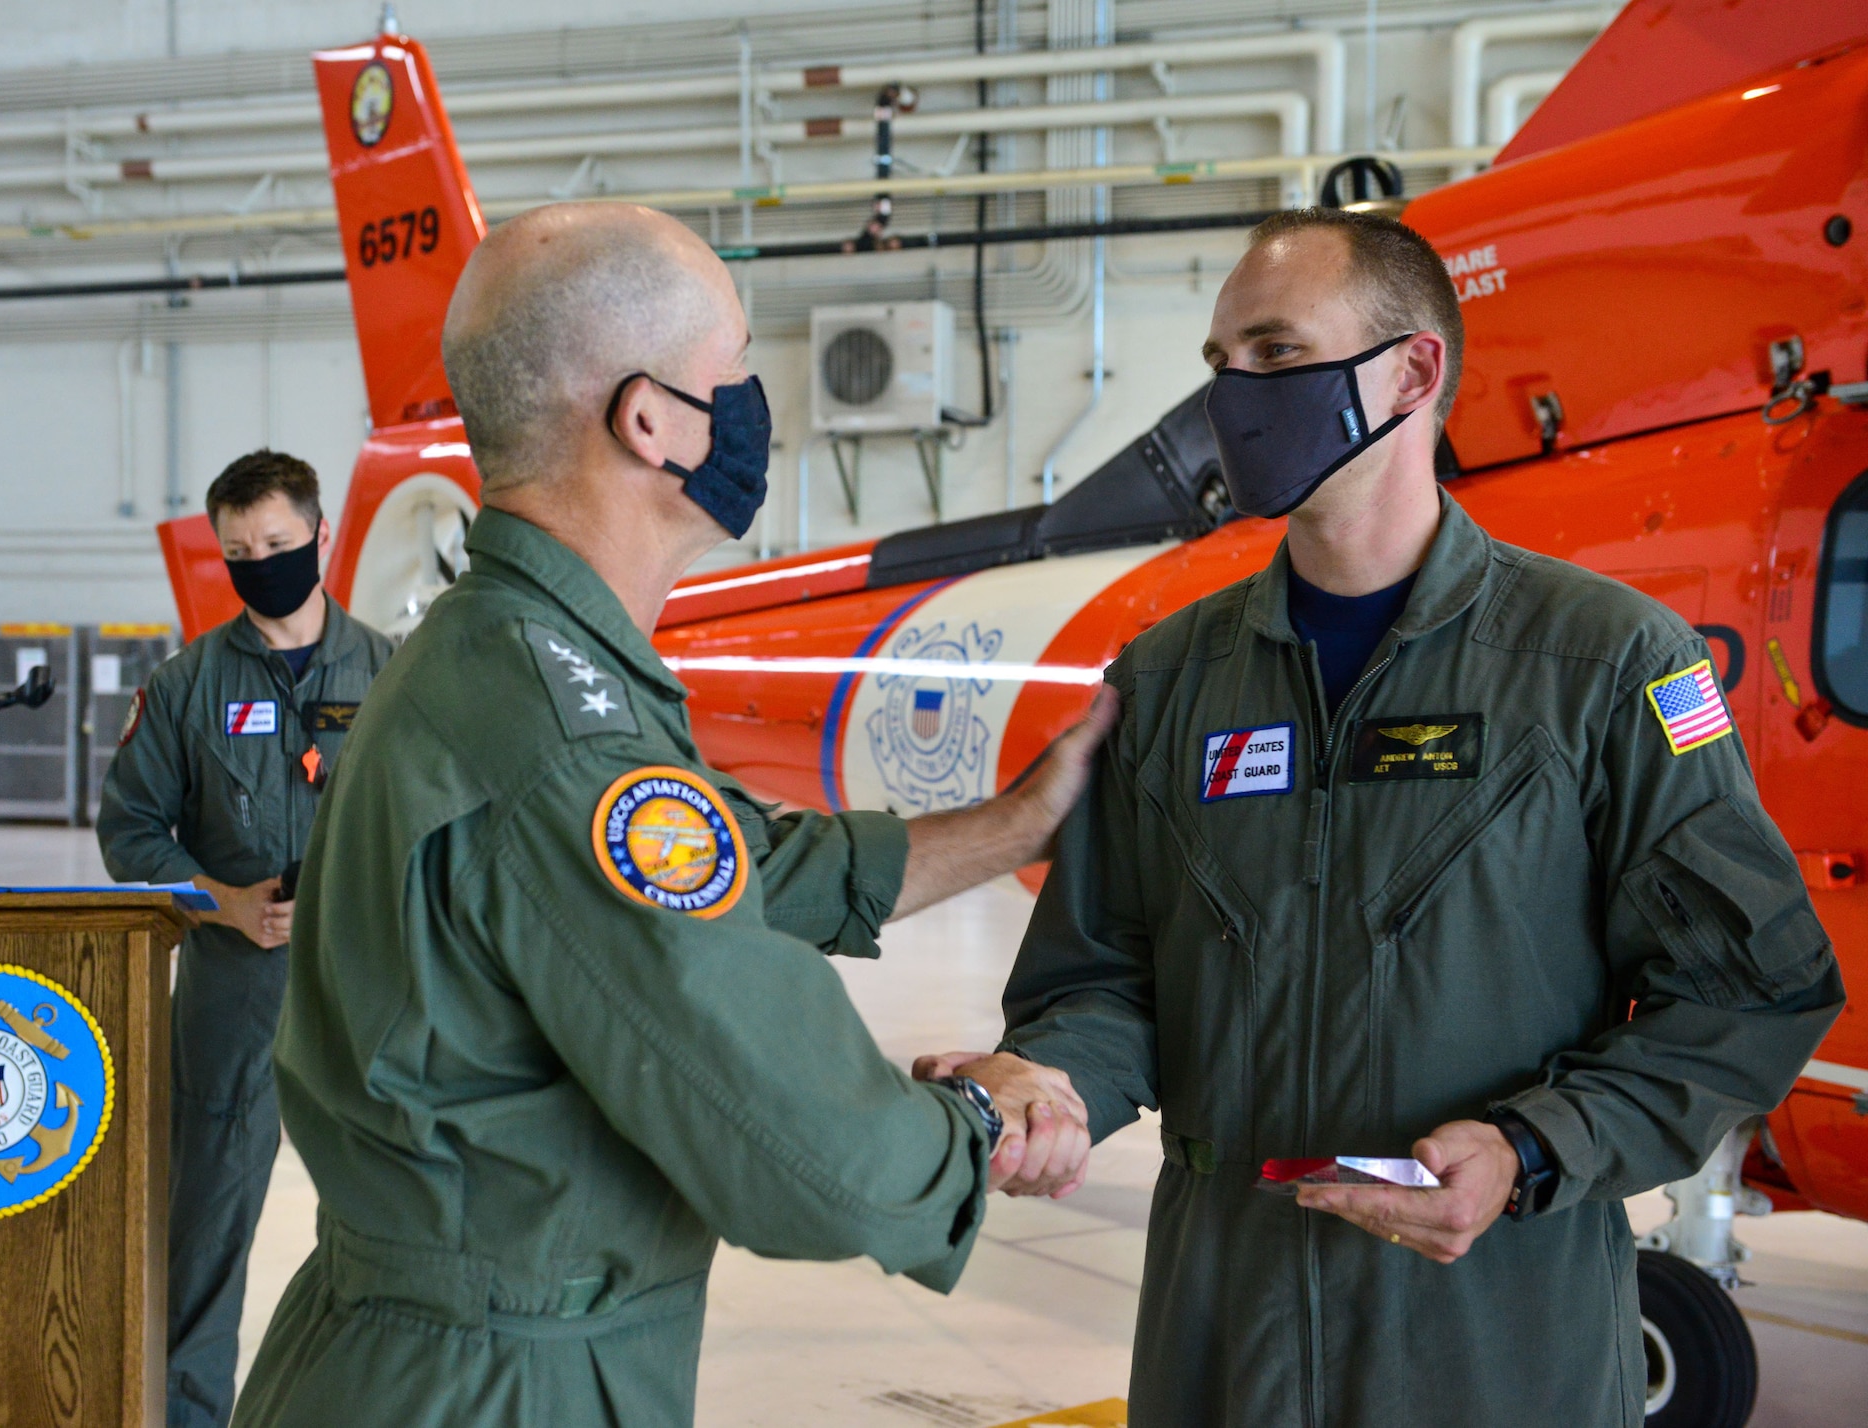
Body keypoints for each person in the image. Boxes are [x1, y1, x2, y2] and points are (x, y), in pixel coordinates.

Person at [921, 208, 1845, 1425]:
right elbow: (1105, 979)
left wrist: (1532, 1147)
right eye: (1217, 367)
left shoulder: (1601, 664)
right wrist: (1053, 1082)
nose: (1232, 398)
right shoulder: (1167, 682)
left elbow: (1745, 989)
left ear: (1412, 370)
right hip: (1223, 1336)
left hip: (1493, 1337)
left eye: (1271, 354)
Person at [230, 202, 1098, 1428]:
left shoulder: (495, 661)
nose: (753, 401)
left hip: (412, 1353)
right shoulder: (560, 734)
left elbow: (727, 870)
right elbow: (801, 1143)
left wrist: (1022, 820)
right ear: (649, 420)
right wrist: (978, 1116)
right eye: (733, 368)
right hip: (497, 1384)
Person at [98, 450, 395, 1428]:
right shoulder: (185, 686)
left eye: (274, 544)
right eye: (238, 551)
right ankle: (187, 1415)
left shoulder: (395, 675)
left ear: (321, 536)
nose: (258, 562)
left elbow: (436, 831)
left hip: (374, 998)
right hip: (236, 997)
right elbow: (128, 831)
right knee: (205, 1234)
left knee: (401, 1228)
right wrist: (219, 900)